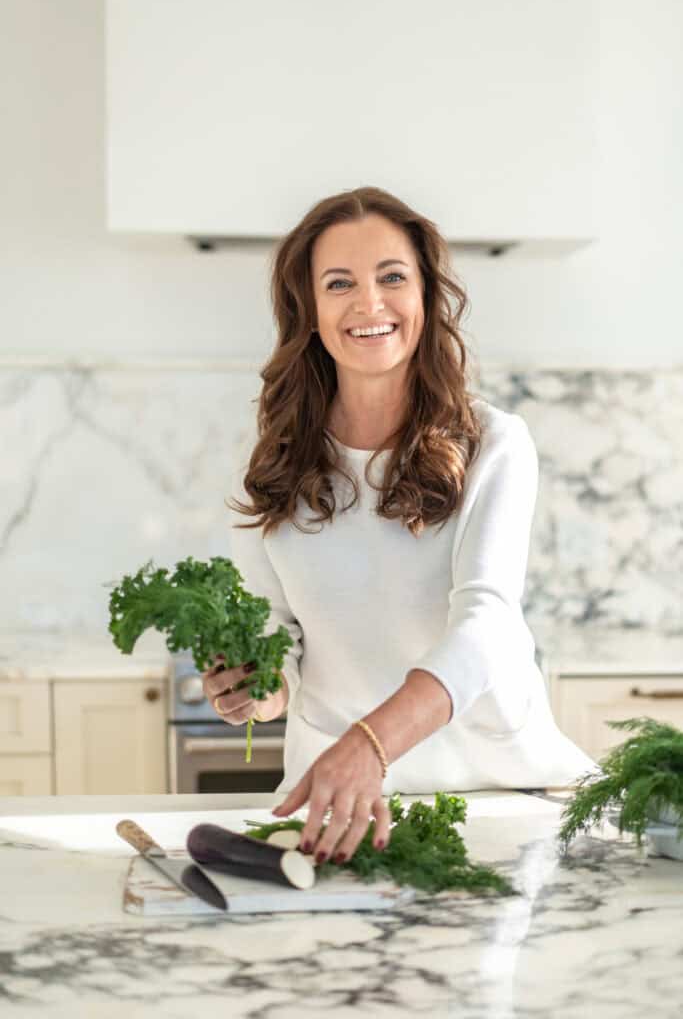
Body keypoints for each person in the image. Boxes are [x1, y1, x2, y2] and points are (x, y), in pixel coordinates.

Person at [201, 186, 599, 867]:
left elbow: (486, 625)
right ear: (309, 310)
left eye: (391, 277)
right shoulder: (269, 464)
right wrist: (254, 689)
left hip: (496, 797)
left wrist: (369, 742)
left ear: (425, 296)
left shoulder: (494, 444)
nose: (369, 303)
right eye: (339, 283)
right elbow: (278, 640)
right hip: (342, 811)